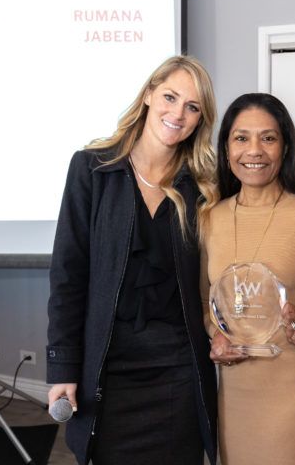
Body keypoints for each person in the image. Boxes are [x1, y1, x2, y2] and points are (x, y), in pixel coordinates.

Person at [46, 55, 219, 465]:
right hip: (109, 369)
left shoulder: (204, 186)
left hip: (177, 368)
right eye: (170, 97)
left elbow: (259, 198)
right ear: (148, 95)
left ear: (199, 120)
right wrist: (63, 366)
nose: (177, 113)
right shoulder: (92, 169)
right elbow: (68, 276)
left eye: (192, 107)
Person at [201, 93, 295, 465]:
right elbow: (207, 303)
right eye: (241, 138)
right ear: (226, 147)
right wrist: (215, 335)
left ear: (285, 146)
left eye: (268, 138)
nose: (254, 150)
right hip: (235, 397)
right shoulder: (209, 218)